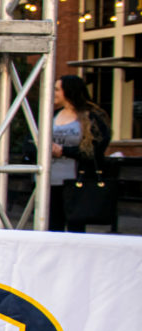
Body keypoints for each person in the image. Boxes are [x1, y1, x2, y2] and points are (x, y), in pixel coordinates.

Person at [49, 74, 113, 233]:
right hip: (50, 180)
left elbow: (96, 149)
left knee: (75, 227)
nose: (53, 93)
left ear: (69, 91)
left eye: (57, 89)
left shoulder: (91, 117)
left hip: (77, 180)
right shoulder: (51, 115)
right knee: (52, 227)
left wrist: (64, 151)